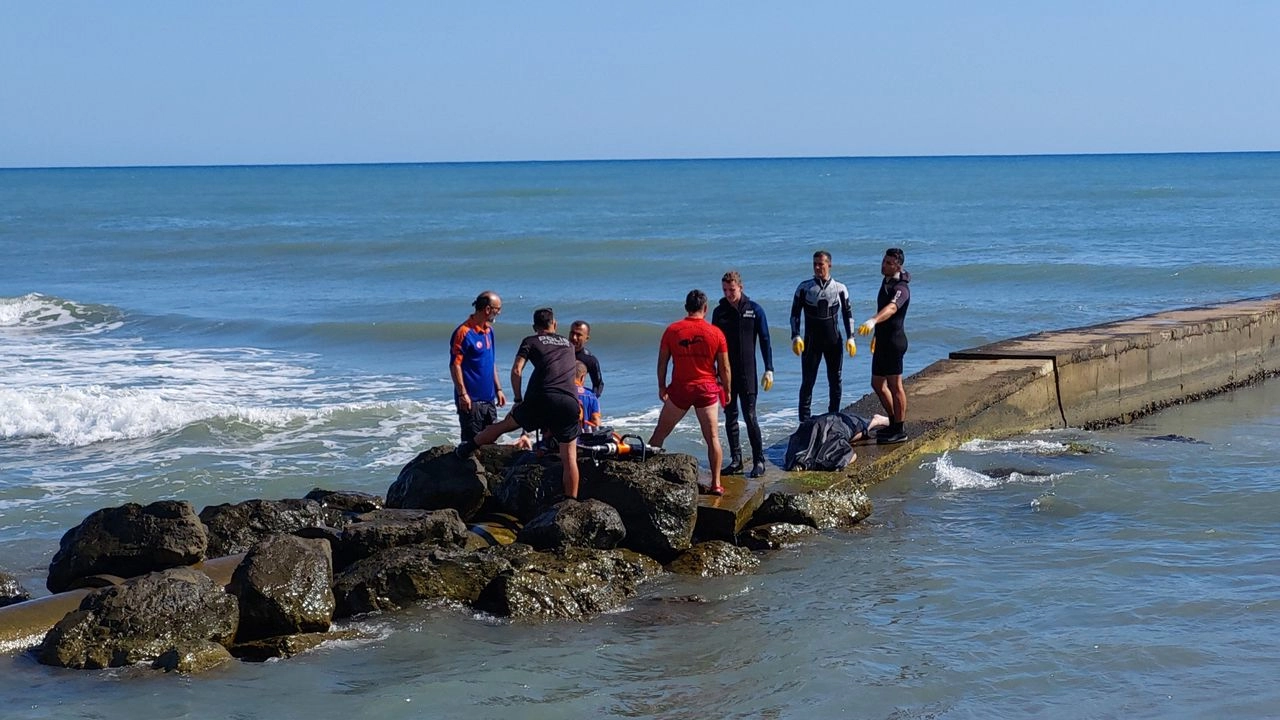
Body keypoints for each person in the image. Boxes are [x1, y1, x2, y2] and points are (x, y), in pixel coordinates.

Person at [457, 308, 583, 499]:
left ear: (535, 327)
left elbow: (517, 370)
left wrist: (517, 398)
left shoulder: (531, 341)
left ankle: (467, 448)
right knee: (570, 458)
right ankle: (571, 501)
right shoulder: (568, 345)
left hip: (543, 398)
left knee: (504, 426)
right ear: (554, 324)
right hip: (570, 401)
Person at [648, 290, 732, 495]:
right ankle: (716, 484)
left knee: (659, 434)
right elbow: (725, 368)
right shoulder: (716, 333)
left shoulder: (672, 330)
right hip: (707, 390)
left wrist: (661, 386)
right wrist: (727, 390)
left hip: (681, 389)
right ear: (705, 308)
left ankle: (645, 472)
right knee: (712, 437)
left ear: (686, 307)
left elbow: (662, 362)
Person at [711, 270, 775, 479]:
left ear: (741, 287)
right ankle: (736, 460)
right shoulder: (719, 312)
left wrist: (769, 368)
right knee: (730, 417)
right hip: (726, 375)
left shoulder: (755, 310)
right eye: (725, 290)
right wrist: (713, 371)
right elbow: (713, 345)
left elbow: (765, 340)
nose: (728, 294)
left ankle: (759, 460)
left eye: (732, 289)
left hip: (748, 373)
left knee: (750, 416)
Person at [790, 250, 856, 423]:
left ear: (829, 265)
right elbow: (794, 314)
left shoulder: (840, 288)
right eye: (815, 264)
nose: (818, 267)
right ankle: (804, 421)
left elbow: (848, 314)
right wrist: (795, 336)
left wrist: (851, 337)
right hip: (811, 342)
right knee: (807, 382)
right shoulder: (804, 288)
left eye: (821, 264)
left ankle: (833, 416)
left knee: (835, 380)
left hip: (834, 342)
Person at [858, 247, 912, 444]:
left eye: (889, 263)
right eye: (883, 261)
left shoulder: (901, 288)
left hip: (895, 343)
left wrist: (873, 320)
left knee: (895, 385)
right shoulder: (886, 281)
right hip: (882, 341)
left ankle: (900, 428)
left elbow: (891, 308)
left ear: (898, 266)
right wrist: (876, 334)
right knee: (877, 384)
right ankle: (892, 421)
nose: (884, 265)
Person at [449, 291, 506, 443]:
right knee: (472, 443)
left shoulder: (489, 331)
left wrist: (498, 389)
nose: (499, 313)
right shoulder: (463, 332)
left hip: (489, 399)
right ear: (487, 309)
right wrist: (462, 394)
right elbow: (455, 365)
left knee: (490, 443)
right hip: (471, 401)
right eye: (497, 309)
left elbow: (491, 361)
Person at [569, 320, 604, 398]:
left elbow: (598, 384)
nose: (574, 337)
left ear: (586, 338)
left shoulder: (590, 359)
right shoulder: (559, 352)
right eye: (572, 333)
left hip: (576, 398)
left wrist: (591, 399)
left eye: (578, 335)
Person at [574, 361, 602, 432]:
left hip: (563, 439)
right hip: (584, 438)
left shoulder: (562, 392)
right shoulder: (591, 396)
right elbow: (595, 419)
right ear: (582, 377)